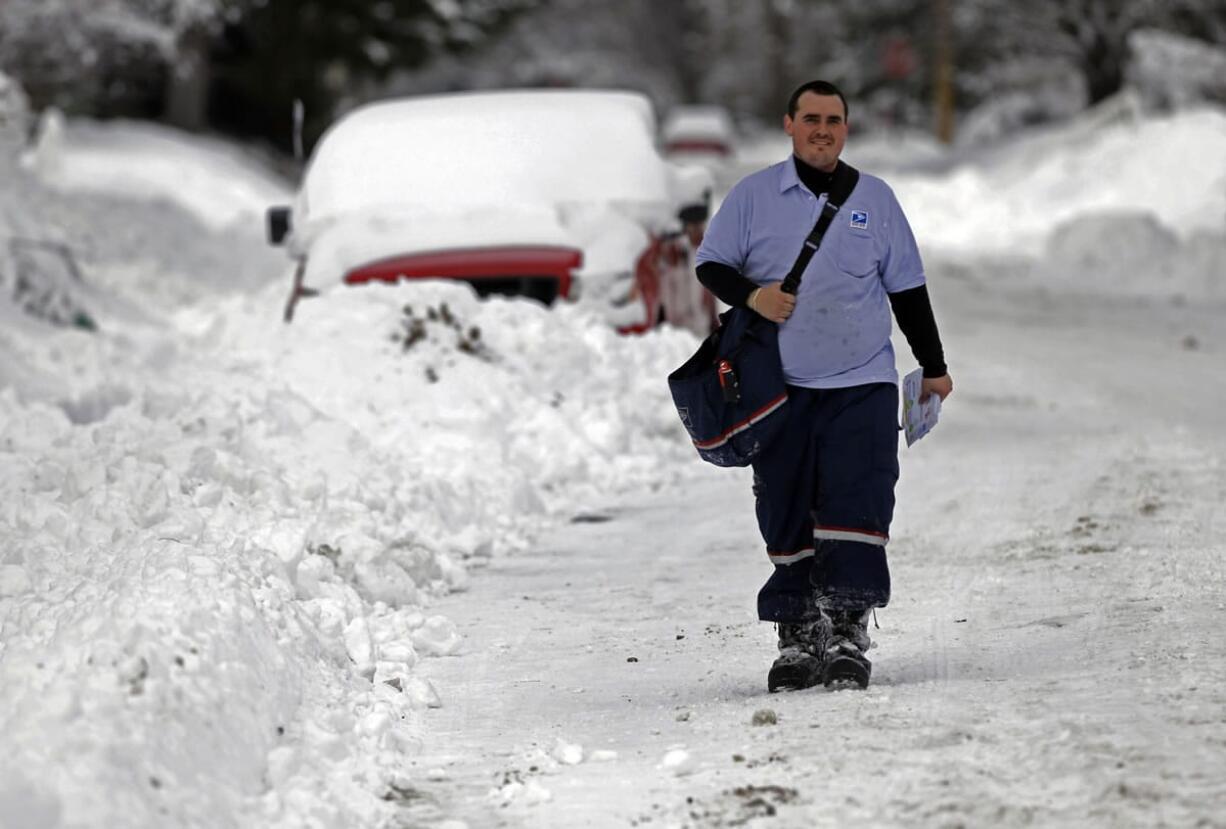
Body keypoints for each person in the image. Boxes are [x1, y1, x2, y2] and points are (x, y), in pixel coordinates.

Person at [695, 80, 953, 691]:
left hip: (861, 380)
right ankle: (796, 633)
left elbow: (908, 290)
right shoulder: (753, 197)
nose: (822, 129)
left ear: (846, 128)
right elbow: (710, 264)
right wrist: (754, 295)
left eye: (833, 120)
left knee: (858, 500)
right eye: (810, 118)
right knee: (785, 504)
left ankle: (845, 628)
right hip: (775, 387)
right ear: (788, 124)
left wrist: (934, 365)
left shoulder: (876, 200)